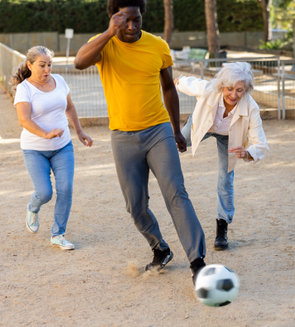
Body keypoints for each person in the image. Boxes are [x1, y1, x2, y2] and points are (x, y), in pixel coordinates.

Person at [74, 0, 206, 282]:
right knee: (135, 206)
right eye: (125, 21)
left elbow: (169, 88)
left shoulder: (157, 46)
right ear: (114, 19)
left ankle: (198, 262)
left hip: (158, 131)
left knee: (176, 193)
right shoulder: (104, 45)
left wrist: (176, 129)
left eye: (137, 21)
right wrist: (110, 33)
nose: (132, 27)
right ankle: (160, 248)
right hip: (122, 137)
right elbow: (78, 62)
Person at [175, 62, 269, 250]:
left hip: (230, 136)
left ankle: (222, 227)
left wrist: (248, 152)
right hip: (203, 124)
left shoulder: (251, 107)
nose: (234, 95)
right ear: (221, 86)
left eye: (240, 90)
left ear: (247, 89)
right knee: (177, 144)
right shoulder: (210, 89)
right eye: (229, 89)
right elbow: (191, 83)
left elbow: (261, 143)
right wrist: (177, 82)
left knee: (225, 179)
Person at [12, 45, 93, 250]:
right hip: (34, 149)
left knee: (65, 189)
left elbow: (70, 107)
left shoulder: (60, 81)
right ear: (30, 65)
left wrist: (80, 132)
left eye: (49, 65)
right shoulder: (24, 89)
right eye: (42, 65)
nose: (47, 70)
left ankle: (58, 234)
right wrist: (45, 134)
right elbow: (24, 120)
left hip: (62, 146)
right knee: (45, 192)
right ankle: (33, 207)